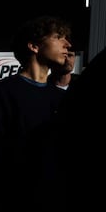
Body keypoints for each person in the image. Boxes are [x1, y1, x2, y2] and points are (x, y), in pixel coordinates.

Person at [0, 15, 72, 212]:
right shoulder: (1, 92)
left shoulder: (60, 99)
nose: (68, 44)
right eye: (58, 37)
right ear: (34, 46)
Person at [54, 47, 106, 211]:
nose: (68, 58)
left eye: (71, 55)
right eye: (65, 54)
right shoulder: (44, 88)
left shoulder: (86, 85)